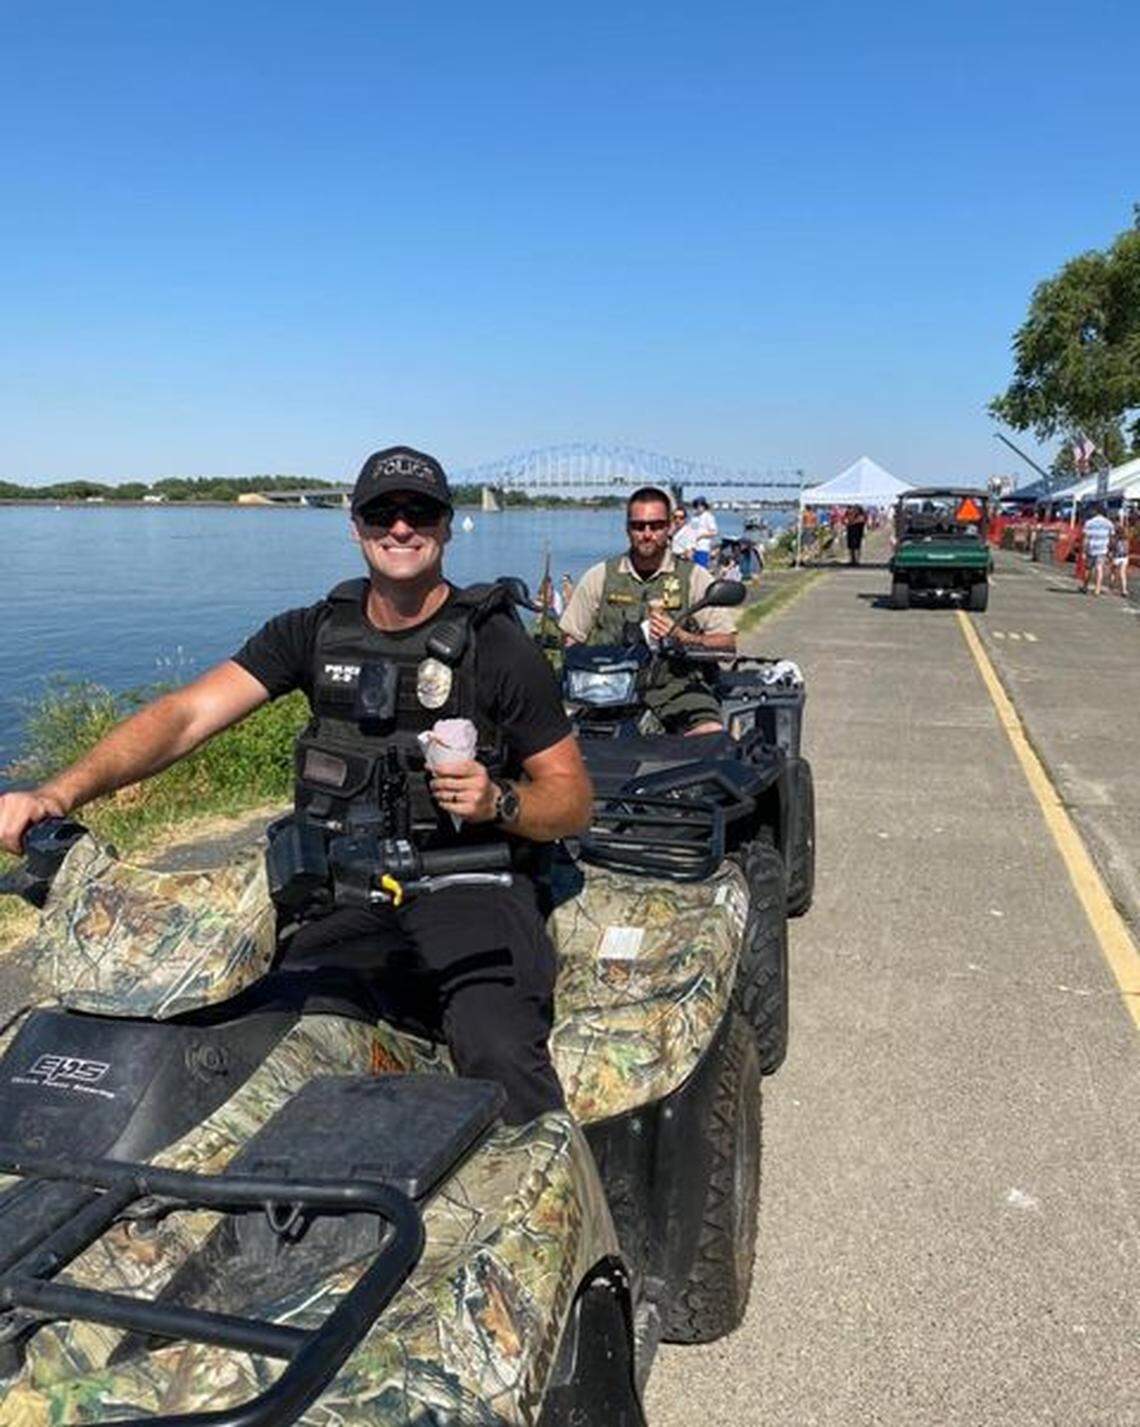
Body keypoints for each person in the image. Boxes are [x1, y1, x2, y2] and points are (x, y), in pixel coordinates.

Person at [0, 445, 594, 1126]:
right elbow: (185, 716)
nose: (401, 527)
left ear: (447, 525)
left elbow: (573, 799)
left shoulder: (498, 644)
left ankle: (555, 1182)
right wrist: (57, 794)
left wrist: (500, 800)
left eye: (420, 511)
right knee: (256, 1033)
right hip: (341, 889)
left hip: (468, 882)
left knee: (498, 1049)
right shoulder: (314, 631)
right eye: (382, 512)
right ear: (356, 525)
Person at [559, 485, 737, 735]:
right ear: (627, 529)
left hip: (676, 688)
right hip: (606, 688)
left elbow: (727, 645)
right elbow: (571, 638)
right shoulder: (600, 576)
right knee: (549, 734)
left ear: (670, 527)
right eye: (638, 526)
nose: (647, 534)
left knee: (709, 733)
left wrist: (682, 637)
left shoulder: (694, 577)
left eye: (656, 526)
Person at [1080, 504, 1114, 595]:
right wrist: (1110, 550)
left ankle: (1085, 586)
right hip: (1102, 548)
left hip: (1091, 548)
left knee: (1088, 568)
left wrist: (1084, 550)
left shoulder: (1089, 522)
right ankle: (1097, 589)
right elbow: (1111, 537)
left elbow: (1086, 538)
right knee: (1099, 568)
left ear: (1096, 512)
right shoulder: (1109, 523)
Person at [689, 496, 718, 568]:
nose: (699, 507)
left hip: (703, 547)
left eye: (701, 505)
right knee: (693, 568)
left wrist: (701, 536)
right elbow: (693, 530)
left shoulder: (708, 516)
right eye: (697, 505)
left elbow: (714, 532)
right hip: (693, 547)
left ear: (704, 506)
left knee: (701, 569)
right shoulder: (694, 517)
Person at [1108, 515, 1131, 598]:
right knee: (1122, 574)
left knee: (1112, 572)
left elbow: (1111, 547)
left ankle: (1111, 586)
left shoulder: (1114, 539)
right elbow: (1128, 549)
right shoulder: (1126, 539)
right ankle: (1124, 590)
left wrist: (1109, 554)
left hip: (1116, 557)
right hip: (1124, 557)